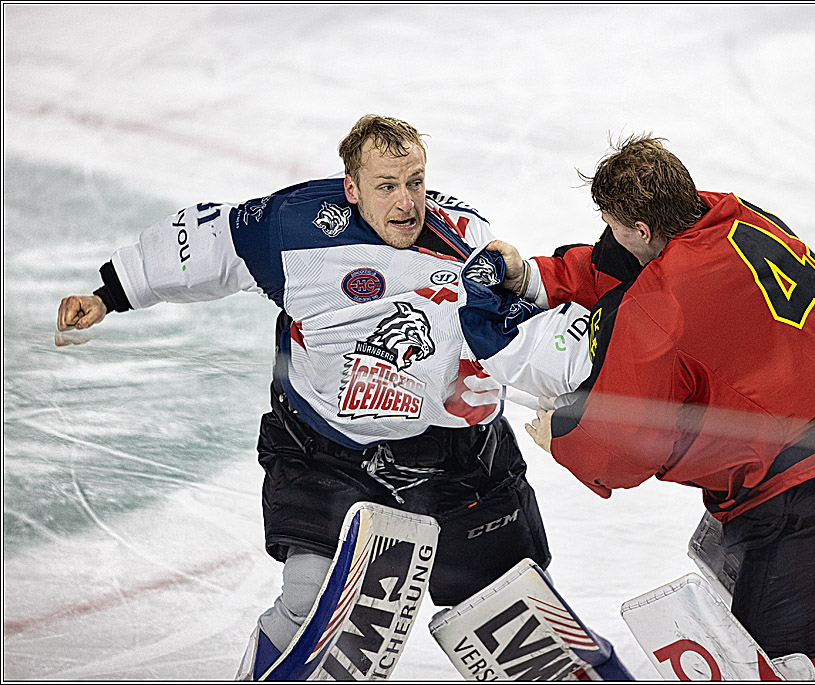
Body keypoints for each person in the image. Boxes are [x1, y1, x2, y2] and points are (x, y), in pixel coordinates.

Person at [55, 114, 629, 680]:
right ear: (352, 189)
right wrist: (111, 292)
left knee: (520, 620)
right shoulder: (294, 229)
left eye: (415, 182)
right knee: (311, 611)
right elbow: (210, 242)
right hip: (328, 449)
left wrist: (588, 386)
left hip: (456, 464)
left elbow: (527, 338)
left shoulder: (468, 245)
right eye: (386, 187)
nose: (407, 202)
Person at [489, 134, 815, 680]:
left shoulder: (664, 305)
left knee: (782, 661)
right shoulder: (731, 213)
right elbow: (619, 266)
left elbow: (625, 444)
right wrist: (536, 277)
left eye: (614, 223)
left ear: (642, 229)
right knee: (735, 565)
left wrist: (565, 439)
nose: (610, 233)